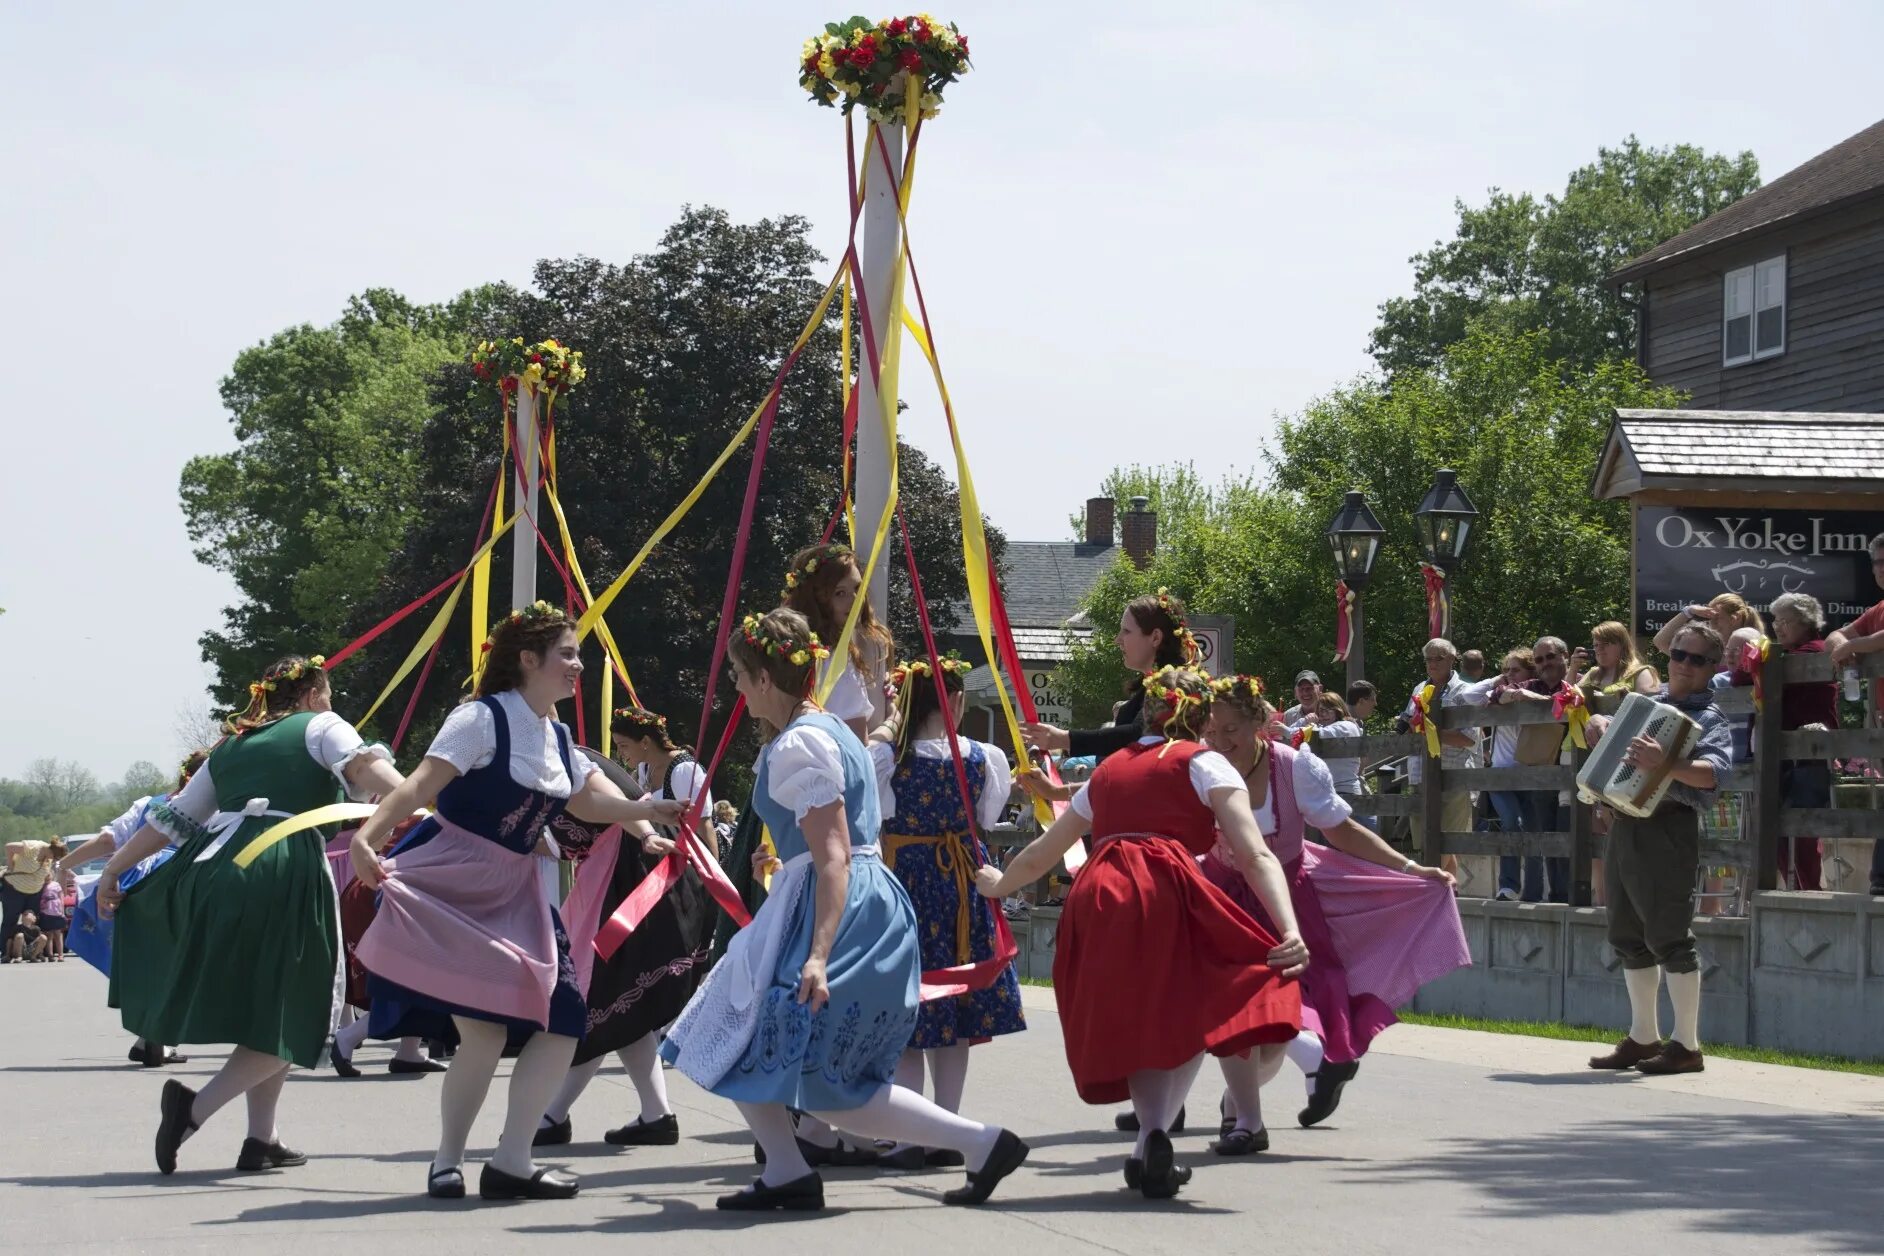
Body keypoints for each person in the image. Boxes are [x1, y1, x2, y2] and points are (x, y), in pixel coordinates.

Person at [662, 609, 1028, 1212]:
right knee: (742, 1032)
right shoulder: (829, 730)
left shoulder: (800, 744)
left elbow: (831, 855)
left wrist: (819, 954)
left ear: (763, 678)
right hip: (857, 894)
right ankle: (789, 1168)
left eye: (737, 673)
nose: (733, 686)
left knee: (821, 1074)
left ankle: (978, 1142)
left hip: (836, 904)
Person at [347, 603, 685, 1202]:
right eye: (568, 654)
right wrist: (369, 839)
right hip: (458, 879)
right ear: (528, 660)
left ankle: (511, 1159)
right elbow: (421, 783)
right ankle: (448, 1160)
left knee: (562, 1022)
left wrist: (644, 816)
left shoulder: (554, 734)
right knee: (480, 1037)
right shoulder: (479, 719)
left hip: (518, 889)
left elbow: (589, 794)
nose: (579, 666)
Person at [993, 665, 1306, 1199]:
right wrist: (1288, 928)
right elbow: (1254, 852)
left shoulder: (1110, 768)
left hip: (1098, 894)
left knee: (1142, 1018)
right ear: (1200, 716)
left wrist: (998, 887)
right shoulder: (1204, 763)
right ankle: (1157, 1133)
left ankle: (1150, 1142)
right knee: (1194, 1006)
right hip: (1165, 885)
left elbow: (1046, 851)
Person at [100, 654, 404, 1176]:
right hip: (280, 867)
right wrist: (414, 797)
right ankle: (191, 1111)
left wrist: (114, 870)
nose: (330, 705)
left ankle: (262, 1138)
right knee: (301, 1007)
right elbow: (365, 770)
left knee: (272, 1006)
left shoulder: (230, 746)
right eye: (326, 695)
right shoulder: (322, 725)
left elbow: (172, 820)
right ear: (311, 694)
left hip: (212, 871)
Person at [1200, 676, 1465, 1138]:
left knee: (1272, 1018)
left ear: (1260, 724)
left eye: (1232, 731)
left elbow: (1341, 829)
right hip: (1224, 902)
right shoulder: (1202, 769)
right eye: (1212, 731)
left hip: (1286, 905)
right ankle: (1262, 1094)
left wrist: (1408, 867)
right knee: (1237, 1014)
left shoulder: (1293, 767)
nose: (1221, 742)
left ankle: (1245, 1102)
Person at [870, 656, 1025, 1169]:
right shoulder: (984, 756)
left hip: (907, 881)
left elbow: (872, 814)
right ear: (956, 701)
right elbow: (986, 818)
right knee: (953, 1010)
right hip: (963, 881)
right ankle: (946, 1126)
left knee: (912, 1011)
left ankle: (914, 1133)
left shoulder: (886, 755)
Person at [537, 705, 715, 1150]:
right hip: (612, 877)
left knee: (602, 999)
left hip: (630, 879)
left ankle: (552, 1115)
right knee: (617, 1001)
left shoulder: (564, 756)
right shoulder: (536, 762)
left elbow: (613, 805)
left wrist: (648, 835)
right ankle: (654, 1115)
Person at [1586, 621, 1733, 1076]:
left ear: (1713, 667)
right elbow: (1616, 755)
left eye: (1697, 659)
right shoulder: (1646, 705)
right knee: (1627, 934)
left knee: (1669, 935)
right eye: (1679, 655)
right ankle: (1643, 1036)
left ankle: (1687, 1046)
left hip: (1669, 828)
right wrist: (1597, 725)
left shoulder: (1710, 718)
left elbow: (1714, 774)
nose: (1685, 665)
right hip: (1626, 823)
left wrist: (1666, 763)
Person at [62, 754, 208, 1066]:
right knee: (181, 962)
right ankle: (157, 1038)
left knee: (148, 961)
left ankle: (149, 1039)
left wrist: (63, 864)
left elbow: (107, 840)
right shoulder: (214, 805)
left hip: (133, 881)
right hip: (182, 881)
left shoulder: (148, 803)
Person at [1022, 589, 1200, 767]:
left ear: (1155, 637)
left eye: (1126, 631)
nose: (1117, 639)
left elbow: (1138, 734)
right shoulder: (1152, 684)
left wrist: (1063, 738)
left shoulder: (1175, 685)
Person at [1736, 592, 1839, 891]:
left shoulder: (1814, 651)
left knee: (1802, 826)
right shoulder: (1779, 655)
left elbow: (1750, 672)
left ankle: (1809, 890)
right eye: (1775, 620)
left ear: (1805, 622)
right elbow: (1739, 677)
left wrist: (1759, 663)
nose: (1778, 627)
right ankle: (1796, 888)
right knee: (1774, 828)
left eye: (1786, 621)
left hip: (1808, 754)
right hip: (1777, 754)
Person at [1399, 639, 1490, 883]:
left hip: (1452, 776)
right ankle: (1449, 891)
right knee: (1425, 841)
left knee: (1446, 842)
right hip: (1420, 773)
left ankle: (1429, 890)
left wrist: (1430, 732)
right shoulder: (1419, 689)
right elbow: (1409, 724)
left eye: (1438, 658)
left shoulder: (1464, 692)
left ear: (1452, 660)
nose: (1432, 663)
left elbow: (1469, 738)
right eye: (1428, 659)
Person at [783, 542, 895, 740]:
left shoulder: (793, 654)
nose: (855, 601)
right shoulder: (834, 664)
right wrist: (893, 719)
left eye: (857, 589)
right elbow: (859, 755)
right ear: (817, 600)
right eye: (839, 593)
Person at [1493, 636, 1576, 903]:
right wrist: (1517, 693)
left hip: (1572, 776)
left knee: (1568, 836)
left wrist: (1540, 700)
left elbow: (1569, 700)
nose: (1545, 664)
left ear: (1565, 655)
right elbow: (1495, 695)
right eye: (1539, 659)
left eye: (1550, 657)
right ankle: (1556, 896)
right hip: (1540, 773)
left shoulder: (1579, 681)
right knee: (1544, 837)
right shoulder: (1530, 684)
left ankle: (1571, 896)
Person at [1826, 534, 1884, 895]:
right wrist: (1840, 647)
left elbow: (1856, 640)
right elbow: (1836, 633)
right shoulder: (1877, 609)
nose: (1881, 569)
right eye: (1877, 562)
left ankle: (1880, 879)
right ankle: (1880, 880)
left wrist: (1856, 646)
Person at [1652, 593, 1765, 662]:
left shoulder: (1755, 649)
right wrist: (1688, 611)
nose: (1712, 623)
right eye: (1709, 618)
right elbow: (1660, 641)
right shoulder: (1706, 650)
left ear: (1736, 618)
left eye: (1717, 617)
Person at [3, 837, 64, 960]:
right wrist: (11, 865)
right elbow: (9, 846)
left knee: (34, 922)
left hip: (35, 891)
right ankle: (6, 952)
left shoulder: (49, 858)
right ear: (51, 851)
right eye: (55, 857)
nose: (54, 860)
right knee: (10, 921)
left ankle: (35, 953)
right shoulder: (33, 847)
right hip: (14, 889)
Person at [1574, 621, 1661, 700]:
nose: (1599, 649)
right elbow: (1567, 702)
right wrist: (1573, 669)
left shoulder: (1641, 674)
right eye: (1596, 645)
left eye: (1606, 643)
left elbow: (1651, 710)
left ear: (1623, 646)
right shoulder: (1592, 674)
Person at [1310, 692, 1364, 802]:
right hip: (1332, 791)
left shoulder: (1344, 726)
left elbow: (1315, 734)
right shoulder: (1331, 727)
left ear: (1338, 709)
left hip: (1345, 790)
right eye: (1320, 711)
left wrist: (1287, 731)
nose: (1323, 714)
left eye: (1327, 710)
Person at [35, 876, 67, 961]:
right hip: (45, 912)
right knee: (48, 935)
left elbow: (61, 897)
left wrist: (62, 911)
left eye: (48, 876)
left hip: (56, 911)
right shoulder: (40, 885)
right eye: (45, 876)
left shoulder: (56, 884)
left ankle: (60, 955)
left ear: (52, 876)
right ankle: (50, 955)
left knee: (58, 934)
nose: (47, 878)